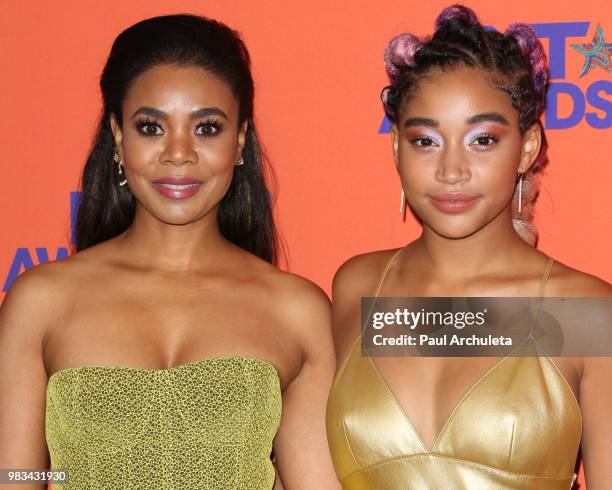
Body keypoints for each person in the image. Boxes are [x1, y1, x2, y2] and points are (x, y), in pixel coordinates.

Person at [0, 14, 339, 490]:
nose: (178, 154)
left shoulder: (297, 311)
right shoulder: (40, 300)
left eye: (206, 129)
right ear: (118, 135)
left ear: (240, 139)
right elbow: (16, 475)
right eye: (151, 128)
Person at [326, 5, 611, 489]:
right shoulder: (357, 288)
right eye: (425, 141)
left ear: (526, 148)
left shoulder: (585, 312)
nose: (451, 170)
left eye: (482, 139)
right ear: (396, 147)